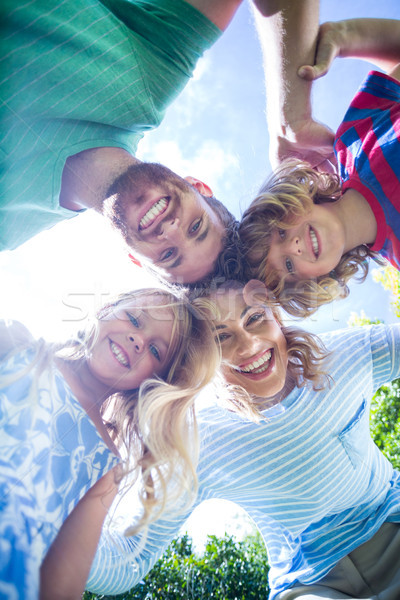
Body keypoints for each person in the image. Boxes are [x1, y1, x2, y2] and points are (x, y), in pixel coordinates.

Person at [80, 278, 400, 599]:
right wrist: (49, 524)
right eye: (221, 338)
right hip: (313, 582)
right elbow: (127, 560)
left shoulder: (345, 356)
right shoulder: (198, 440)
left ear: (276, 316)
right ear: (203, 361)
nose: (249, 346)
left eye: (255, 318)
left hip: (391, 522)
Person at [0, 0, 335, 284]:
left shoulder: (9, 226)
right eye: (196, 227)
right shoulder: (152, 66)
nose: (171, 231)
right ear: (199, 186)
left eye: (170, 256)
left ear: (135, 260)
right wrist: (290, 117)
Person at [0, 287, 219, 599]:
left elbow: (61, 588)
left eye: (156, 351)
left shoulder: (105, 467)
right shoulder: (17, 347)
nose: (138, 340)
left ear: (152, 382)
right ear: (106, 308)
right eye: (134, 319)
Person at [239, 18, 400, 317]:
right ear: (313, 282)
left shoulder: (351, 140)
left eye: (281, 232)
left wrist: (344, 36)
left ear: (290, 200)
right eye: (288, 266)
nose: (295, 247)